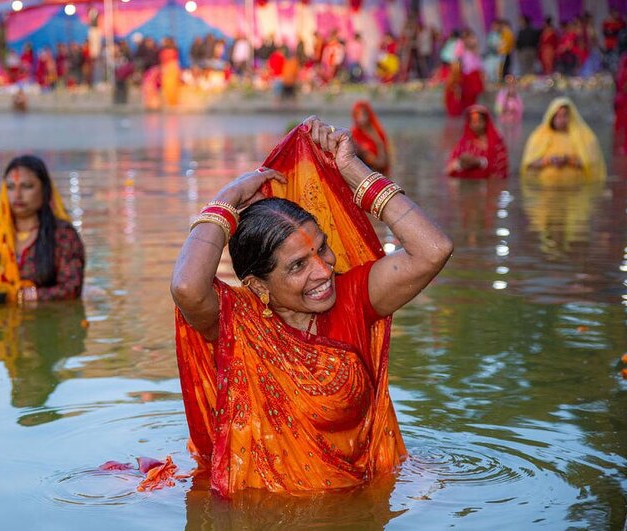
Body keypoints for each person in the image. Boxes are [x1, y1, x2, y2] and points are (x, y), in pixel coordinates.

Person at [170, 117, 453, 497]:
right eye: (298, 265)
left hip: (353, 510)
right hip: (256, 515)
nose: (323, 270)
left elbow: (434, 250)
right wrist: (229, 197)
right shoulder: (236, 321)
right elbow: (186, 287)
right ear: (257, 285)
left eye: (321, 248)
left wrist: (354, 172)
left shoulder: (353, 298)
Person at [0, 155, 85, 305]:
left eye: (27, 186)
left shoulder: (63, 235)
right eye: (10, 187)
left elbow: (71, 289)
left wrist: (18, 296)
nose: (17, 195)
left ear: (45, 190)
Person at [521, 97, 606, 181]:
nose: (561, 120)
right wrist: (549, 161)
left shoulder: (585, 136)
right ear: (551, 117)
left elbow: (592, 163)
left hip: (576, 190)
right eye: (557, 116)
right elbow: (529, 164)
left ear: (571, 116)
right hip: (546, 190)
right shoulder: (539, 136)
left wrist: (568, 160)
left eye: (564, 115)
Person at [446, 105, 508, 179]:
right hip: (468, 184)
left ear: (485, 122)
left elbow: (501, 168)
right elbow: (449, 169)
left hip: (488, 184)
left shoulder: (496, 142)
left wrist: (480, 162)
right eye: (473, 122)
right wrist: (460, 164)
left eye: (479, 121)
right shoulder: (464, 143)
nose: (476, 124)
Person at [351, 100, 391, 174]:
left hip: (380, 172)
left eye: (363, 114)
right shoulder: (354, 134)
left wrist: (379, 143)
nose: (361, 118)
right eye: (358, 114)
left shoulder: (378, 132)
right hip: (365, 174)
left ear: (368, 114)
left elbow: (384, 162)